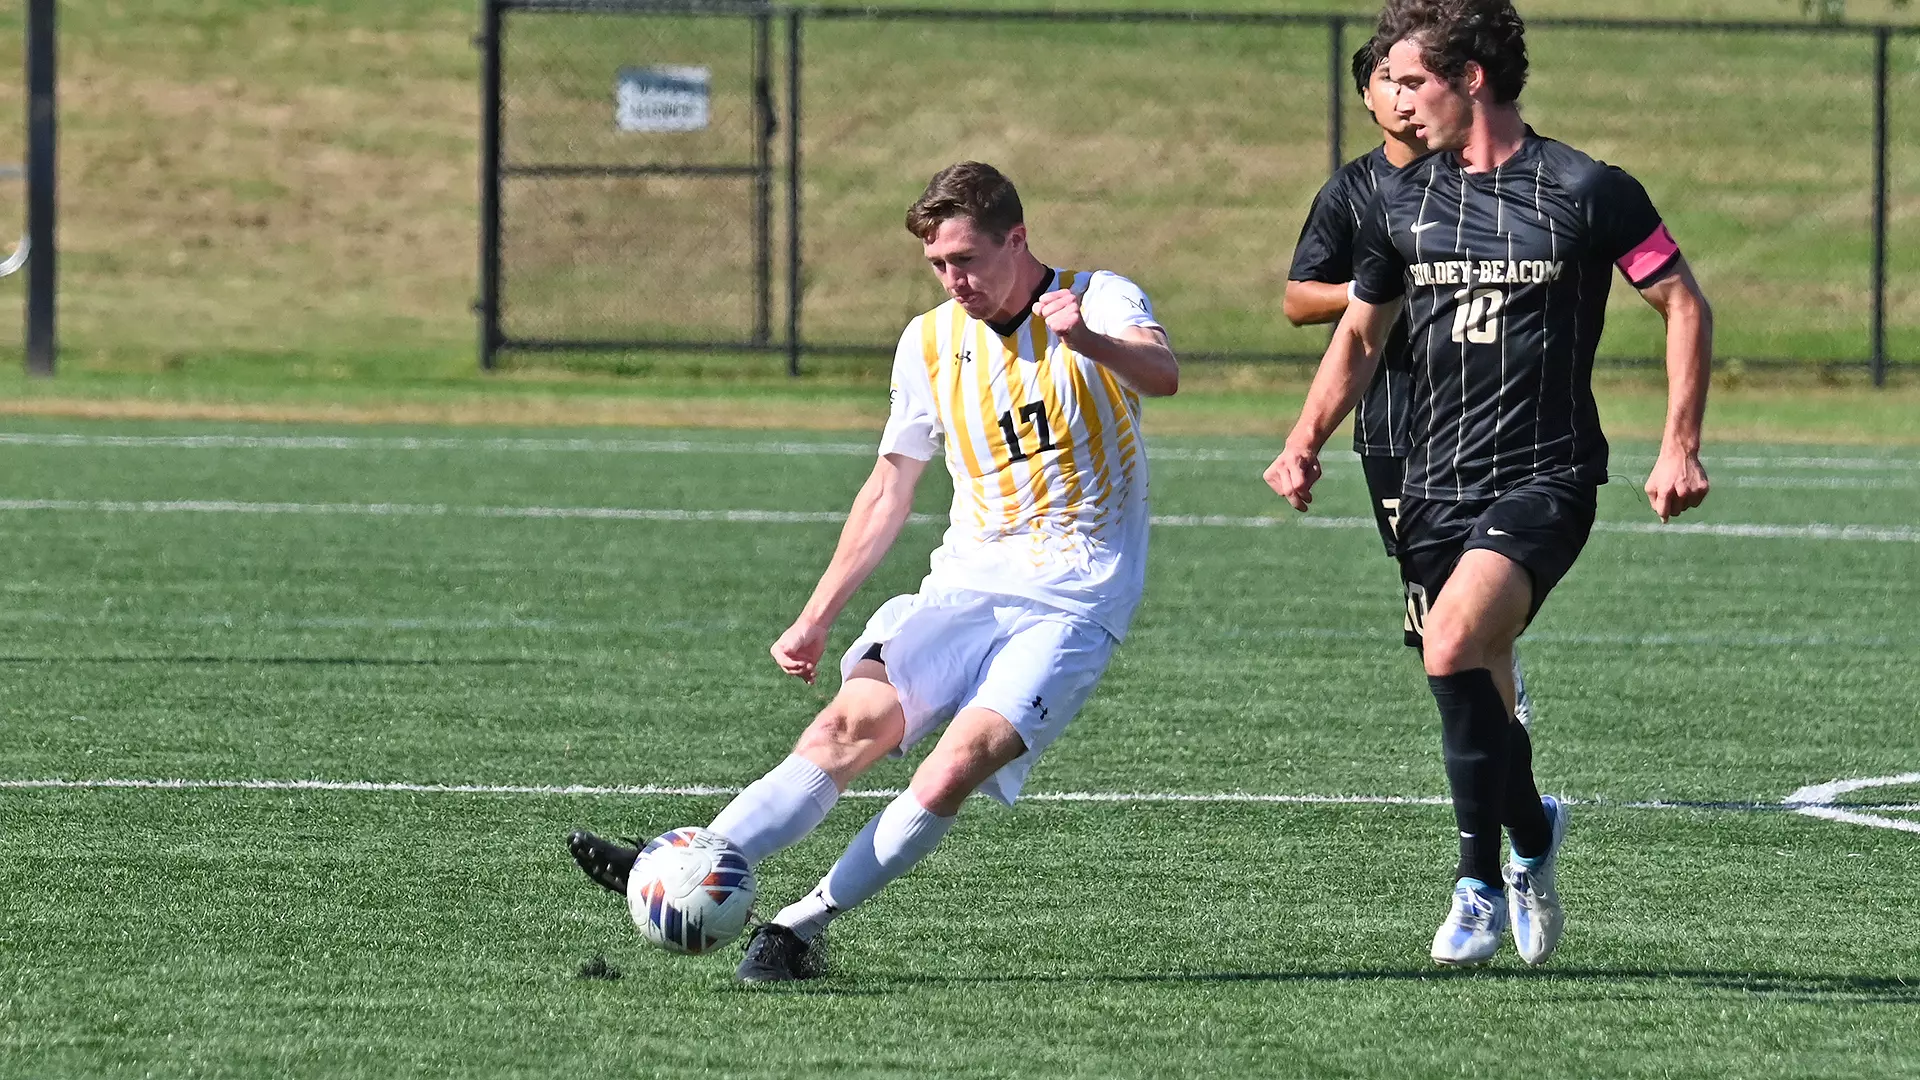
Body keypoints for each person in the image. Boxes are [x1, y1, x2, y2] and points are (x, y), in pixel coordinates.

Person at [568, 161, 1179, 982]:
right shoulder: (928, 343)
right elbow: (892, 483)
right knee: (841, 730)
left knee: (955, 764)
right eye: (937, 264)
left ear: (1018, 239)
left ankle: (798, 925)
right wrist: (817, 613)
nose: (954, 279)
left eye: (967, 258)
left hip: (1073, 600)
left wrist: (1087, 340)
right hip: (965, 585)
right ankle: (681, 865)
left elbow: (1162, 375)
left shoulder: (1097, 296)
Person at [1264, 0, 1711, 967]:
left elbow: (1681, 300)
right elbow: (1360, 333)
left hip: (1546, 474)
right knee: (1474, 682)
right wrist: (1304, 439)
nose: (1395, 99)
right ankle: (1535, 838)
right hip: (1430, 478)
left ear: (1472, 78)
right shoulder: (1399, 201)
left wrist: (1678, 443)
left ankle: (1473, 879)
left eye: (1414, 80)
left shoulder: (1588, 188)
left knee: (1455, 642)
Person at [1286, 34, 1534, 725]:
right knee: (1430, 603)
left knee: (1481, 588)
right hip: (1395, 421)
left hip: (1487, 417)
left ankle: (1497, 702)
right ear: (1367, 98)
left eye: (1411, 82)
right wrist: (1380, 287)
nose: (1402, 97)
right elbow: (1298, 300)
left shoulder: (1483, 181)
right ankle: (1487, 718)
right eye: (1387, 83)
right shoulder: (1356, 191)